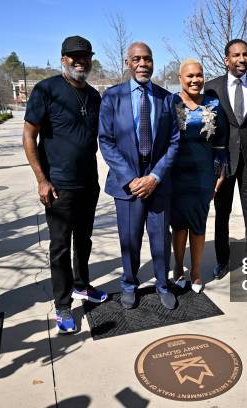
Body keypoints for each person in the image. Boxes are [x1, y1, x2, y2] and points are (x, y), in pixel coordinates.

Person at [23, 35, 107, 333]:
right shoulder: (46, 90)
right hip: (58, 186)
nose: (80, 61)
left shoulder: (95, 96)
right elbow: (29, 136)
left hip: (88, 183)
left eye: (85, 56)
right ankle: (62, 305)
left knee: (84, 241)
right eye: (74, 56)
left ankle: (82, 286)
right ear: (63, 59)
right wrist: (42, 180)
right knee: (60, 247)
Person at [98, 42, 180, 310]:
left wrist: (155, 177)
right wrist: (131, 179)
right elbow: (106, 141)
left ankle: (162, 285)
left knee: (160, 239)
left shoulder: (166, 98)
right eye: (137, 59)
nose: (143, 64)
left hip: (158, 183)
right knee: (130, 240)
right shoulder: (113, 97)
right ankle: (129, 284)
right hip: (128, 185)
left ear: (153, 62)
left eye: (147, 59)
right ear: (128, 63)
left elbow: (174, 141)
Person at [204, 39, 247, 279]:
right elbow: (208, 125)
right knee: (221, 214)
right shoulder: (211, 87)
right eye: (236, 55)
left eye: (245, 54)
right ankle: (223, 261)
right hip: (223, 162)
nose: (242, 59)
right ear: (226, 60)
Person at [170, 59, 228, 293]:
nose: (195, 80)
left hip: (204, 174)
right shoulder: (170, 103)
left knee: (198, 223)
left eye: (199, 75)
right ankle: (178, 268)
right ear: (180, 79)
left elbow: (221, 143)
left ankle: (195, 271)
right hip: (175, 174)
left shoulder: (214, 104)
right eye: (190, 76)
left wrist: (220, 171)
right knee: (178, 224)